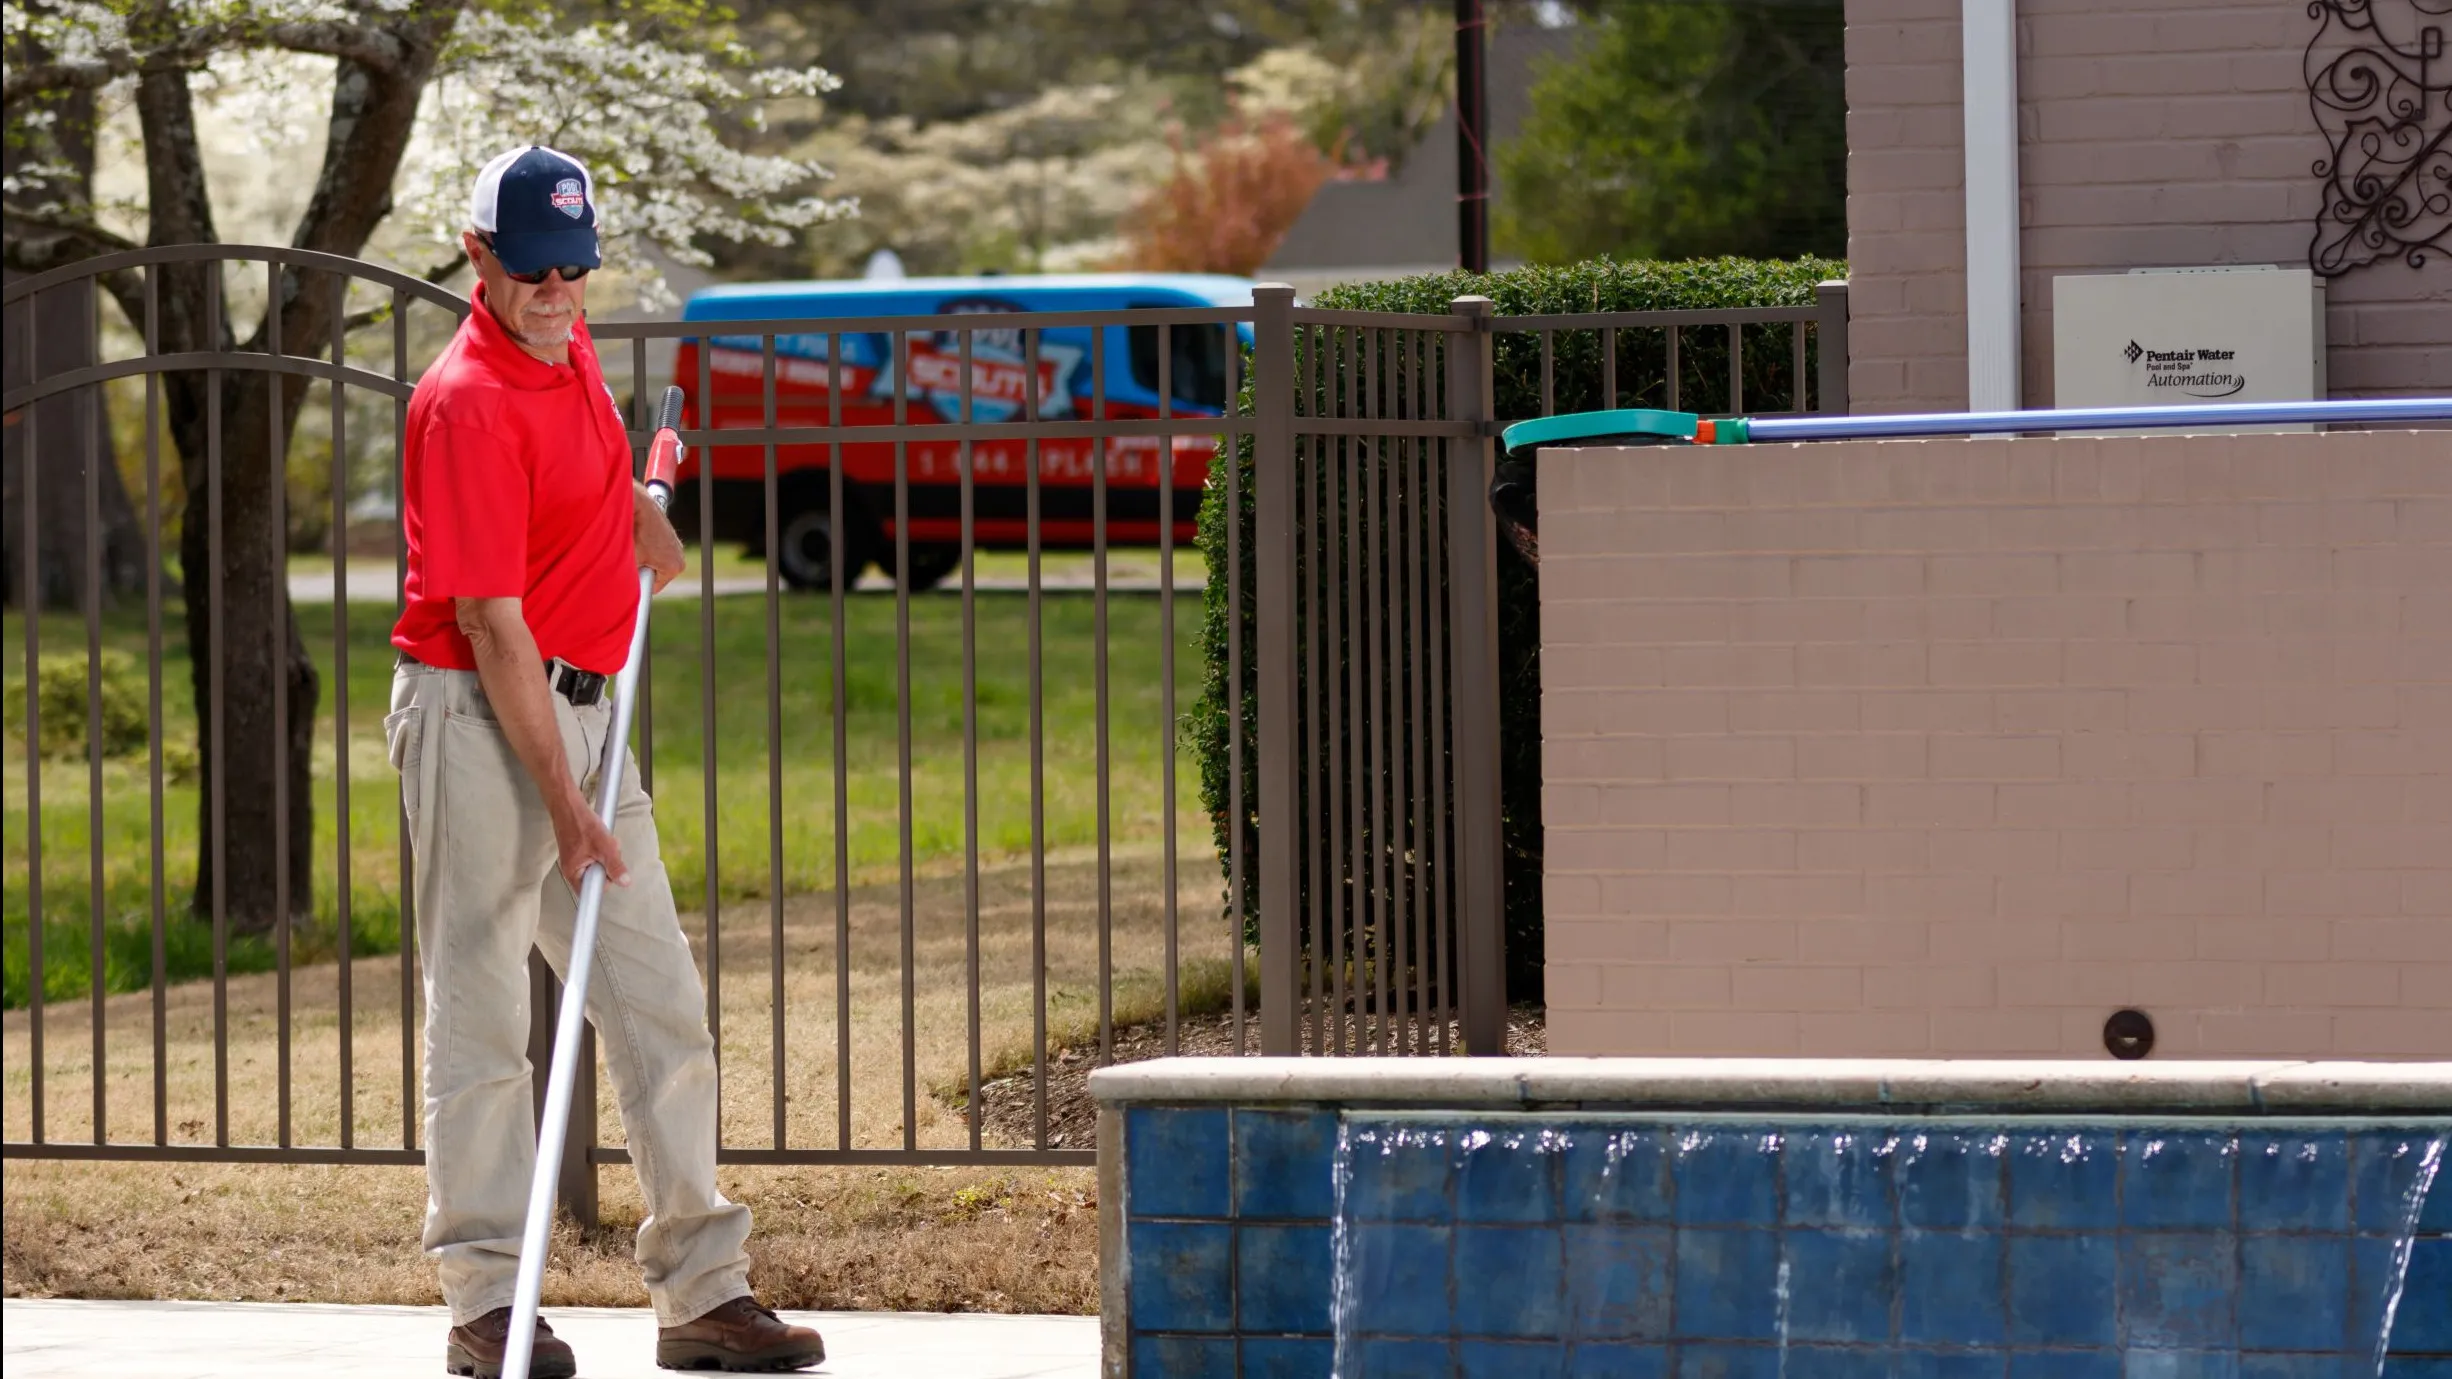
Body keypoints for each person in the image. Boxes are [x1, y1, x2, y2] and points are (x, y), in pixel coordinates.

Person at [385, 144, 824, 1378]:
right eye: (535, 271)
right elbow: (490, 620)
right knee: (482, 1018)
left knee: (659, 1004)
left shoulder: (566, 343)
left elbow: (583, 464)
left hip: (586, 707)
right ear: (480, 257)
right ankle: (486, 1305)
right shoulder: (462, 399)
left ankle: (703, 1292)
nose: (562, 290)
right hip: (480, 717)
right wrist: (572, 808)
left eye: (577, 266)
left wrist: (639, 514)